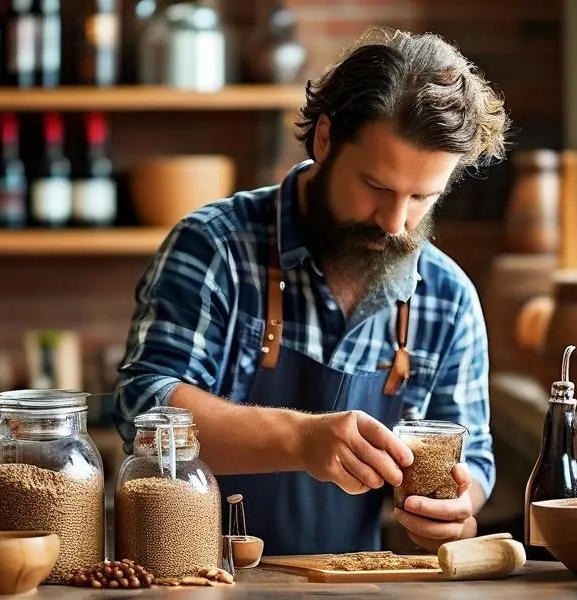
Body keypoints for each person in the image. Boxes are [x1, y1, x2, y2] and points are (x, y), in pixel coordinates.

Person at [113, 27, 509, 556]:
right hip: (195, 580)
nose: (395, 223)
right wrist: (301, 440)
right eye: (377, 187)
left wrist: (455, 513)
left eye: (422, 197)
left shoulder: (447, 297)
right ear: (324, 139)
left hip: (353, 588)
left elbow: (473, 457)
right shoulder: (215, 247)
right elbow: (143, 411)